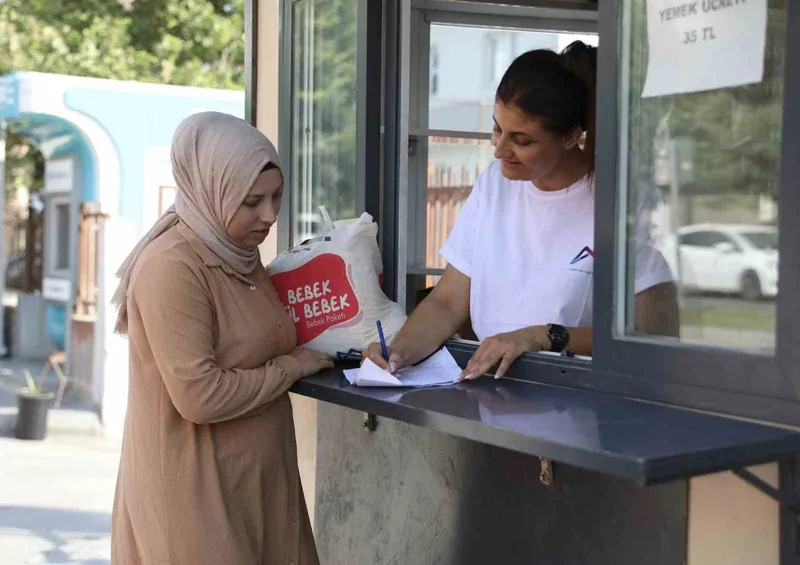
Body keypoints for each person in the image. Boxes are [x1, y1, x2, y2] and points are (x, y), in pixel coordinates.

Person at [363, 41, 679, 381]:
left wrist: (542, 336)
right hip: (493, 393)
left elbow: (649, 337)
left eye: (522, 140)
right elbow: (448, 301)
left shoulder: (626, 202)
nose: (500, 151)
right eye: (498, 129)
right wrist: (399, 351)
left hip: (585, 402)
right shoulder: (494, 185)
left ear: (572, 137)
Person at [110, 111, 333, 565]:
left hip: (258, 490)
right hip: (198, 501)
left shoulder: (240, 257)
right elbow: (200, 396)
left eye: (277, 197)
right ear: (213, 191)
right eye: (252, 201)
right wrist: (291, 368)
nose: (269, 215)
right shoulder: (172, 267)